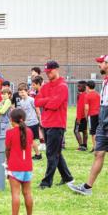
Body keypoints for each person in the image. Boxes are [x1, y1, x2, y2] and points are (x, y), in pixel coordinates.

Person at [69, 55, 108, 199]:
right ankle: (87, 187)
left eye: (101, 63)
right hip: (105, 124)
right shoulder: (107, 80)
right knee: (98, 153)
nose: (99, 65)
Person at [34, 61, 74, 189]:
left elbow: (55, 105)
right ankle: (67, 177)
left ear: (56, 69)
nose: (48, 74)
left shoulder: (63, 86)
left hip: (57, 124)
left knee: (51, 153)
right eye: (46, 72)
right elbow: (37, 102)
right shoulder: (46, 86)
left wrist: (46, 101)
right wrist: (48, 100)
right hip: (46, 123)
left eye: (50, 71)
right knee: (56, 153)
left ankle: (46, 182)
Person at [3, 109, 34, 215]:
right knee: (27, 193)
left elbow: (8, 149)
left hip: (15, 166)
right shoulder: (29, 131)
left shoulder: (10, 133)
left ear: (11, 120)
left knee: (15, 193)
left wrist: (7, 161)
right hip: (27, 166)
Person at [17, 84, 42, 160]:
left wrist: (40, 120)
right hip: (26, 123)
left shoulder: (31, 100)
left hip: (33, 123)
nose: (21, 94)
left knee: (31, 140)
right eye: (20, 92)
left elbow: (37, 110)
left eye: (23, 92)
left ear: (27, 92)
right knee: (27, 140)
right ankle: (36, 154)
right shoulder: (21, 102)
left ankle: (38, 155)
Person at [85, 80, 101, 152]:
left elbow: (86, 108)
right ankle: (99, 146)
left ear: (88, 87)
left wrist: (86, 116)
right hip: (99, 114)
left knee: (93, 132)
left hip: (91, 115)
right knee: (99, 131)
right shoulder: (98, 94)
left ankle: (95, 147)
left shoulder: (87, 95)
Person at [74, 81, 89, 151]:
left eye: (79, 86)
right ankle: (85, 145)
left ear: (84, 87)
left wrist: (78, 119)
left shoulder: (82, 95)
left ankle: (81, 146)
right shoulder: (85, 94)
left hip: (81, 117)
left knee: (76, 131)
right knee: (84, 131)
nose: (78, 87)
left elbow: (80, 108)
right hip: (85, 117)